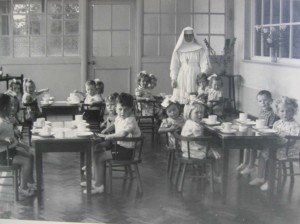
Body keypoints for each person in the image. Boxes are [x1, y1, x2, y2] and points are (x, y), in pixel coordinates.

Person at [83, 93, 141, 194]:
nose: (122, 112)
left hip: (126, 152)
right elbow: (115, 124)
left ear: (131, 109)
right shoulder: (120, 117)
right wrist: (106, 130)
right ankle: (95, 180)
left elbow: (122, 134)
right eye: (120, 109)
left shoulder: (130, 120)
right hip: (119, 147)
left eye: (126, 109)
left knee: (99, 157)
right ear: (116, 108)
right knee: (96, 149)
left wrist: (108, 136)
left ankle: (99, 185)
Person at [251, 96, 300, 191]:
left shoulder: (295, 125)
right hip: (276, 147)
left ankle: (270, 181)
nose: (285, 114)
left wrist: (281, 145)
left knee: (271, 156)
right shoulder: (278, 123)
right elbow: (273, 134)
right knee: (263, 154)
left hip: (288, 149)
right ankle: (260, 177)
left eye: (288, 111)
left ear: (293, 112)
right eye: (282, 111)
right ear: (278, 111)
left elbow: (293, 140)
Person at [0, 93, 36, 196]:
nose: (12, 108)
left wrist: (20, 143)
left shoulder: (6, 119)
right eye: (10, 105)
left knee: (30, 155)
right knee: (26, 161)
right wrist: (4, 139)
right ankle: (23, 188)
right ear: (4, 107)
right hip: (3, 155)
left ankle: (30, 182)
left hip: (11, 150)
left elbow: (11, 135)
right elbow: (5, 138)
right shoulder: (0, 122)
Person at [237, 90, 277, 175]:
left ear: (271, 101)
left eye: (265, 100)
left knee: (252, 145)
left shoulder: (272, 114)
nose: (263, 103)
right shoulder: (262, 112)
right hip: (260, 135)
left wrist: (260, 129)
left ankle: (251, 166)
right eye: (260, 101)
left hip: (267, 138)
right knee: (247, 143)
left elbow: (270, 128)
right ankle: (245, 163)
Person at [170, 27, 210, 104]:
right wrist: (174, 78)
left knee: (195, 92)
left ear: (193, 35)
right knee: (182, 92)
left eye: (190, 35)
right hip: (183, 73)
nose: (188, 37)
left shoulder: (199, 49)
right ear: (183, 36)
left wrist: (203, 74)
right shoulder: (179, 50)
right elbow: (174, 65)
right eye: (186, 36)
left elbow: (204, 62)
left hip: (196, 73)